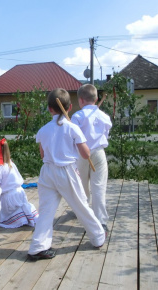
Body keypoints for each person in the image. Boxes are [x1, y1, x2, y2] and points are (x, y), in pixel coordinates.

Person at [28, 88, 105, 260]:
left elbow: (42, 155)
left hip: (47, 172)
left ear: (49, 109)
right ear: (70, 107)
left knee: (46, 210)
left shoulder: (43, 130)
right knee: (81, 205)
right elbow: (86, 154)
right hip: (67, 171)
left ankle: (37, 247)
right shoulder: (72, 128)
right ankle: (98, 237)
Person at [71, 84, 112, 235]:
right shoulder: (104, 116)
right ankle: (101, 220)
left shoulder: (77, 116)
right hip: (99, 152)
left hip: (82, 153)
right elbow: (106, 134)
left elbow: (73, 137)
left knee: (81, 187)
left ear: (81, 100)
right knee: (99, 187)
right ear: (96, 99)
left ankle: (83, 213)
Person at [0, 139, 39, 228]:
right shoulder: (10, 164)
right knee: (21, 206)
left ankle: (18, 217)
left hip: (8, 197)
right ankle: (24, 215)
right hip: (19, 193)